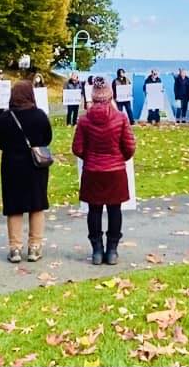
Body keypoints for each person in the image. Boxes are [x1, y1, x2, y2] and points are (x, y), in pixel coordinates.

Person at [73, 77, 136, 265]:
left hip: (93, 169)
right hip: (115, 170)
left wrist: (91, 157)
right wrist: (119, 158)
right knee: (115, 210)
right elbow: (130, 146)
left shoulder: (84, 120)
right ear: (111, 96)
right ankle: (112, 250)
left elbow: (77, 148)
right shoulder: (121, 118)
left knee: (94, 210)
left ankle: (97, 250)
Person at [0, 81, 53, 263]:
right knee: (36, 205)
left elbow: (0, 143)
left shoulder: (5, 117)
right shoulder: (39, 115)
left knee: (14, 206)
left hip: (12, 165)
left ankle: (15, 247)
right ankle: (35, 246)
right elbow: (47, 138)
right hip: (35, 166)